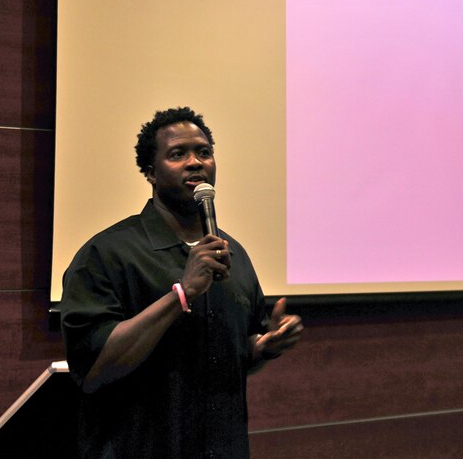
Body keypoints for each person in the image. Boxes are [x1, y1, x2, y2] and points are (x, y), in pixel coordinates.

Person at [59, 107, 303, 458]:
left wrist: (264, 346)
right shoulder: (106, 255)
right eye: (177, 154)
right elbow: (94, 370)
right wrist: (182, 294)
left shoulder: (233, 255)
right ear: (150, 172)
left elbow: (238, 350)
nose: (195, 162)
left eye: (204, 152)